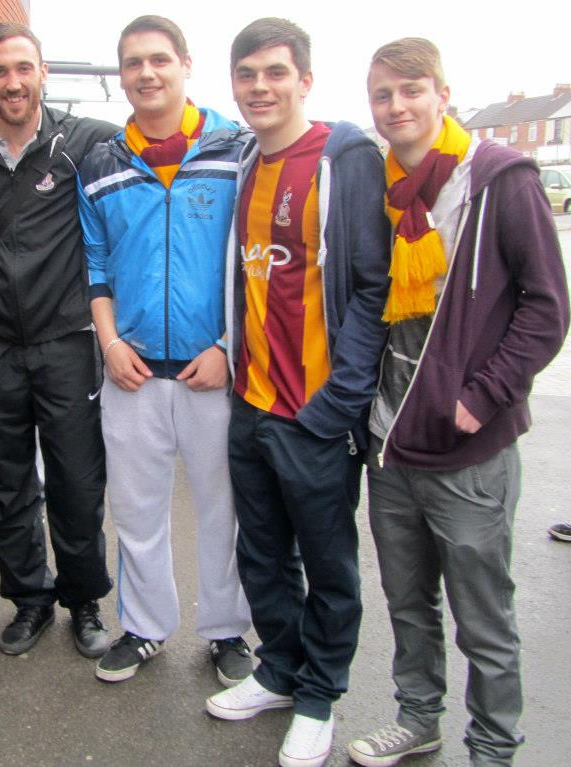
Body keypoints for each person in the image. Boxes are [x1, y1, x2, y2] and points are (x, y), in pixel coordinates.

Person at [346, 38, 569, 767]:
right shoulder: (381, 187)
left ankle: (493, 747)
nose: (396, 106)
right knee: (408, 603)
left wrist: (484, 396)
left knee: (483, 616)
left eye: (411, 90)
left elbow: (547, 307)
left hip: (468, 446)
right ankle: (419, 718)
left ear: (443, 95)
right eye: (382, 94)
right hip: (390, 437)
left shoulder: (499, 180)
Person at [203, 18, 391, 767]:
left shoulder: (345, 158)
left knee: (329, 562)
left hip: (314, 413)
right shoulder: (247, 161)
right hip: (251, 405)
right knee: (263, 554)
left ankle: (320, 695)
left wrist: (339, 402)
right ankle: (280, 670)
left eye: (276, 72)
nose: (260, 87)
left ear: (305, 80)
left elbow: (372, 288)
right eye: (247, 74)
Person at [77, 15, 253, 686]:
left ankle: (228, 630)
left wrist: (228, 345)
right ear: (121, 75)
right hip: (134, 371)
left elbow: (255, 263)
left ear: (185, 64)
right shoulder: (101, 163)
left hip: (216, 370)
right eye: (133, 63)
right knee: (137, 511)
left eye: (159, 59)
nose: (146, 73)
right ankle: (146, 626)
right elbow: (96, 265)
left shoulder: (236, 151)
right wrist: (110, 342)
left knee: (223, 511)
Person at [0, 22, 115, 659]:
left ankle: (84, 600)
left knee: (76, 484)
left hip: (65, 343)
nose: (13, 82)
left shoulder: (85, 141)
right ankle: (30, 600)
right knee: (7, 484)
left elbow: (156, 142)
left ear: (42, 73)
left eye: (22, 68)